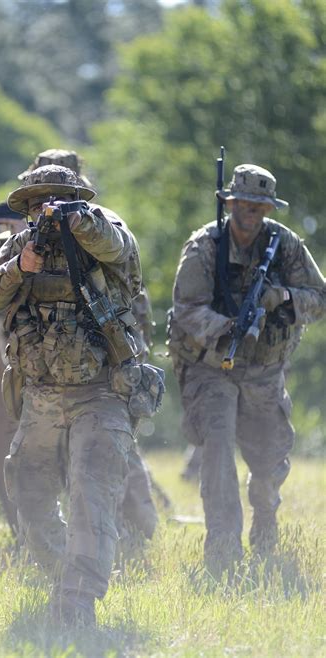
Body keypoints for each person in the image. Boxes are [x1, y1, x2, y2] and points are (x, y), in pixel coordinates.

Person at [0, 165, 158, 625]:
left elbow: (115, 246)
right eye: (39, 204)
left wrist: (78, 221)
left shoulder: (103, 228)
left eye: (56, 201)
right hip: (41, 396)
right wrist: (20, 268)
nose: (47, 211)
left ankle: (78, 600)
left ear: (78, 199)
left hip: (100, 393)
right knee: (30, 493)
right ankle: (63, 572)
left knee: (90, 493)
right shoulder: (23, 246)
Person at [167, 163, 325, 577]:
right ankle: (222, 551)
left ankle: (266, 522)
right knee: (218, 454)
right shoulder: (204, 246)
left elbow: (319, 297)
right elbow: (186, 310)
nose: (250, 212)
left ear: (267, 209)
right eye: (243, 203)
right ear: (230, 202)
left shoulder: (285, 245)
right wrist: (230, 328)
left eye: (258, 205)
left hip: (263, 371)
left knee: (270, 461)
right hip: (212, 366)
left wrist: (282, 297)